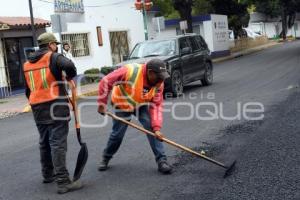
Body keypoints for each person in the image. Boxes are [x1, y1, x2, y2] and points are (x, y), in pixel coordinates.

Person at [23, 32, 83, 194]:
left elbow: (28, 90)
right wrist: (69, 77)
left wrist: (36, 100)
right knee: (57, 142)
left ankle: (48, 174)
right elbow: (70, 66)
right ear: (50, 45)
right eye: (55, 45)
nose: (56, 47)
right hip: (55, 104)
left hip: (37, 106)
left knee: (44, 141)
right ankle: (63, 181)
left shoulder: (27, 63)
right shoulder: (53, 57)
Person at [97, 59, 173, 174]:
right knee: (117, 135)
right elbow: (105, 81)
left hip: (140, 104)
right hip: (122, 104)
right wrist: (102, 104)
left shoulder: (159, 84)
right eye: (159, 78)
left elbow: (156, 106)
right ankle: (106, 157)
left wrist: (157, 128)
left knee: (152, 130)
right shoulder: (130, 71)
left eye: (162, 78)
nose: (161, 82)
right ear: (150, 72)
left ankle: (162, 160)